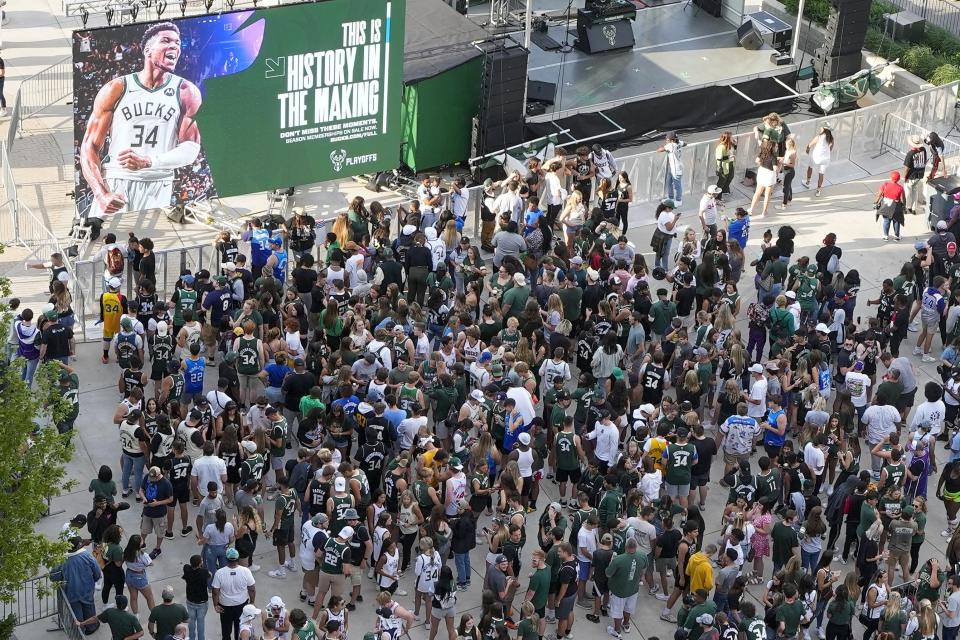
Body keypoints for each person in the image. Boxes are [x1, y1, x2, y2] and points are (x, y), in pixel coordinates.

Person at [79, 22, 202, 218]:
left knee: (149, 245)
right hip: (118, 179)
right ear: (147, 50)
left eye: (177, 43)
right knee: (104, 243)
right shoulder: (117, 88)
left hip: (159, 182)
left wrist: (149, 161)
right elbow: (89, 147)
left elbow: (191, 149)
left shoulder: (186, 91)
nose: (174, 47)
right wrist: (101, 194)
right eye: (166, 41)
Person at [53, 536, 103, 635]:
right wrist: (95, 579)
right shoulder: (87, 556)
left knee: (76, 613)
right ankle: (91, 627)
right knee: (89, 609)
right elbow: (97, 572)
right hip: (87, 589)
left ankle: (79, 631)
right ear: (79, 545)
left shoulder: (63, 560)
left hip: (71, 591)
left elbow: (53, 575)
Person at [212, 547, 257, 640]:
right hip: (241, 605)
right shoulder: (245, 571)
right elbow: (252, 589)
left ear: (226, 559)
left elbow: (215, 592)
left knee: (226, 630)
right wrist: (252, 602)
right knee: (240, 629)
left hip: (225, 607)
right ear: (238, 558)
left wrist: (215, 605)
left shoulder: (219, 573)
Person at [75, 594, 141, 640]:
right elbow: (141, 633)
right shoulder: (132, 618)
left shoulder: (109, 612)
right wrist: (127, 639)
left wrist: (81, 623)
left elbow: (95, 619)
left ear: (117, 604)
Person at [802, 127, 834, 197]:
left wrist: (807, 150)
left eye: (821, 128)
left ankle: (807, 182)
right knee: (821, 174)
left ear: (824, 129)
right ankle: (818, 190)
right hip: (825, 158)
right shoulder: (831, 138)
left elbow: (809, 145)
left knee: (810, 167)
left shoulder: (819, 137)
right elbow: (831, 148)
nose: (820, 129)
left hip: (816, 157)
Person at [875, 171, 906, 242]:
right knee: (896, 221)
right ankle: (897, 236)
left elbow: (879, 195)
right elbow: (903, 199)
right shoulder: (900, 188)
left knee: (886, 221)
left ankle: (886, 236)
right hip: (895, 208)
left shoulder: (885, 185)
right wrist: (904, 206)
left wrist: (875, 202)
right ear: (898, 179)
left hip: (886, 206)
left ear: (891, 178)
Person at [658, 132, 687, 205]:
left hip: (676, 169)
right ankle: (670, 198)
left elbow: (659, 150)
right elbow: (685, 143)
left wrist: (666, 148)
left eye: (667, 139)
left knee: (677, 186)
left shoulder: (670, 145)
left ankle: (678, 201)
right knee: (669, 182)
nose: (666, 141)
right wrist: (679, 143)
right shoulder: (679, 142)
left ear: (671, 140)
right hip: (673, 168)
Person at [903, 134, 929, 216]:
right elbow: (925, 161)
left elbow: (907, 168)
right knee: (915, 191)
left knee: (908, 192)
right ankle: (914, 208)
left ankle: (908, 207)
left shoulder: (910, 154)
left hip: (911, 176)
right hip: (919, 175)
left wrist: (904, 177)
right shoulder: (923, 150)